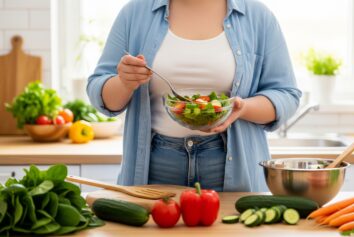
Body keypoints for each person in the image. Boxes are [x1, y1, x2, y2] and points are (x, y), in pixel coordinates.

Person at [87, 0, 301, 192]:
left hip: (234, 167)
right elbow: (101, 94)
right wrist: (124, 81)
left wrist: (243, 108)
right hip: (155, 167)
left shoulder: (258, 17)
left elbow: (286, 95)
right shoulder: (134, 13)